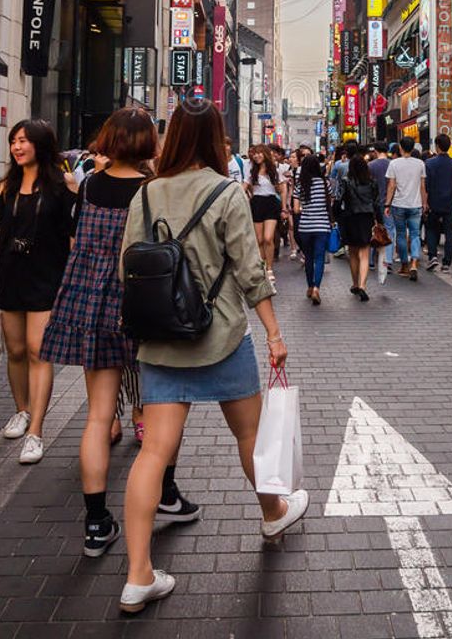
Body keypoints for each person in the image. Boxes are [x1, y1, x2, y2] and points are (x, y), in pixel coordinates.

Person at [119, 102, 307, 613]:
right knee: (250, 434)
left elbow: (127, 267)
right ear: (216, 139)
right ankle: (273, 512)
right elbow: (250, 272)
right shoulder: (227, 192)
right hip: (220, 335)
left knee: (153, 452)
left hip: (160, 340)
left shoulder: (148, 192)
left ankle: (138, 576)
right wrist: (273, 333)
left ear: (173, 137)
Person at [40, 109, 198, 557]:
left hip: (90, 300)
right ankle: (165, 493)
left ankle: (96, 522)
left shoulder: (89, 183)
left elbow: (75, 241)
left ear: (110, 138)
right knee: (160, 410)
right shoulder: (153, 190)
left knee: (97, 416)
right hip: (143, 303)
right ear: (149, 143)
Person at [0, 120, 75, 464]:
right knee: (15, 350)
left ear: (41, 145)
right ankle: (21, 410)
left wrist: (74, 278)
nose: (17, 147)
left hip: (48, 275)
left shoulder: (63, 185)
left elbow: (72, 235)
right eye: (13, 141)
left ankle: (36, 430)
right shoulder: (8, 185)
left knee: (38, 350)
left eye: (23, 141)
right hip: (10, 273)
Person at [338, 153, 383, 301]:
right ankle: (363, 285)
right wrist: (380, 220)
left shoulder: (346, 181)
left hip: (350, 218)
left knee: (353, 252)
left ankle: (355, 283)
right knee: (364, 252)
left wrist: (336, 216)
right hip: (367, 218)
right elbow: (376, 203)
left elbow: (339, 200)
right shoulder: (372, 182)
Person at [384, 135, 427, 280]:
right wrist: (424, 203)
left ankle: (404, 265)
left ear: (401, 148)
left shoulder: (394, 164)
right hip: (416, 204)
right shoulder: (420, 164)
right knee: (415, 234)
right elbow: (422, 186)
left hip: (398, 204)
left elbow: (391, 185)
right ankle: (414, 262)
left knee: (401, 235)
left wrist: (387, 204)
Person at [244, 145, 287, 287]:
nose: (256, 156)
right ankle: (262, 267)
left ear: (265, 154)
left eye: (259, 153)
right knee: (259, 240)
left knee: (268, 238)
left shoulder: (274, 170)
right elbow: (244, 186)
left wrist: (284, 208)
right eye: (254, 154)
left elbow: (282, 189)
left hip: (270, 204)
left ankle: (269, 268)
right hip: (256, 203)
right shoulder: (251, 170)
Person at [292, 154, 332, 304]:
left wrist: (306, 208)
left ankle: (309, 286)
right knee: (319, 257)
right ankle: (316, 288)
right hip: (322, 225)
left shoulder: (300, 185)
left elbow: (296, 210)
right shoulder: (324, 183)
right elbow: (330, 201)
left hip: (305, 226)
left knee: (308, 257)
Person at [425, 134, 452, 272]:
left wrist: (425, 201)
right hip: (450, 202)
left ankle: (433, 256)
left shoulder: (429, 163)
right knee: (448, 231)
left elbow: (426, 184)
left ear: (437, 146)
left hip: (433, 201)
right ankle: (447, 263)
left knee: (431, 229)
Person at [367, 145, 395, 274]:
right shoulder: (392, 164)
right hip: (389, 202)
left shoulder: (371, 165)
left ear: (376, 151)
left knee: (374, 230)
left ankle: (371, 261)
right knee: (389, 230)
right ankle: (388, 261)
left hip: (374, 202)